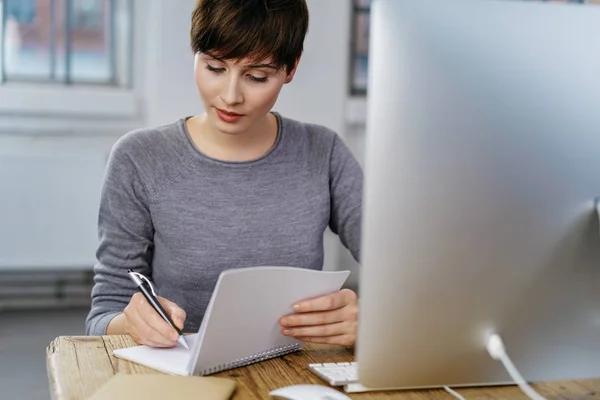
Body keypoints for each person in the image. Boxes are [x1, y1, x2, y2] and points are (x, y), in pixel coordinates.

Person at [85, 0, 363, 349]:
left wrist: (371, 319)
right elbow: (103, 314)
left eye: (257, 76)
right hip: (181, 373)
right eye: (215, 67)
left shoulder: (323, 153)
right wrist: (131, 322)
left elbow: (406, 268)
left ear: (291, 69)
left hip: (293, 372)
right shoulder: (139, 158)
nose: (231, 96)